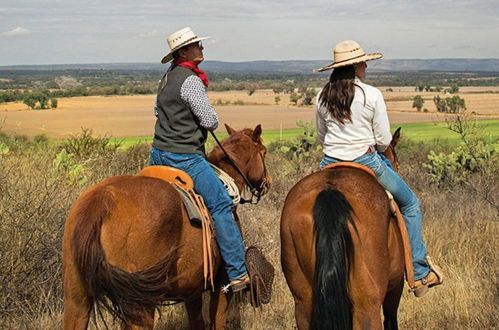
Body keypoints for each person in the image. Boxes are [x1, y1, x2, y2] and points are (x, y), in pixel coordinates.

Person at [314, 40, 443, 297]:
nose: (365, 66)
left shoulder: (321, 96)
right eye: (363, 62)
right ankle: (418, 273)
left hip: (329, 162)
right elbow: (384, 141)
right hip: (366, 161)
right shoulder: (371, 95)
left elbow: (321, 136)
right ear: (355, 66)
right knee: (410, 204)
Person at [149, 27, 249, 292]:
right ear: (183, 51)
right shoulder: (191, 80)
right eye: (197, 46)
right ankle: (238, 273)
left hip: (158, 154)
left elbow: (157, 110)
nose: (202, 49)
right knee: (221, 205)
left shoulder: (167, 77)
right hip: (184, 157)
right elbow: (210, 120)